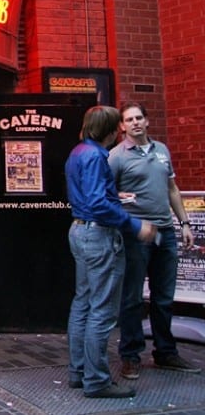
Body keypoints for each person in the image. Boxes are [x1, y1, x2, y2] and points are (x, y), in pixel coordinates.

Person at [65, 106, 156, 399]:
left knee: (83, 303)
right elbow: (97, 204)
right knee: (102, 311)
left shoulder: (79, 152)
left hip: (80, 231)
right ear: (108, 129)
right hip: (99, 236)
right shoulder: (95, 156)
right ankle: (97, 380)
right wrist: (134, 225)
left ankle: (79, 372)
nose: (121, 130)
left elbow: (89, 195)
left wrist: (114, 196)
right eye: (118, 125)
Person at [109, 102, 200, 379]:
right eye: (129, 119)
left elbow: (172, 188)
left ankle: (165, 352)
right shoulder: (116, 156)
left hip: (165, 232)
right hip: (136, 234)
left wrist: (183, 223)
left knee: (163, 297)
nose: (135, 123)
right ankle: (130, 356)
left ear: (147, 121)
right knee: (133, 297)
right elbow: (107, 195)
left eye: (139, 117)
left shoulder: (161, 151)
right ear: (122, 126)